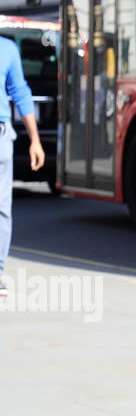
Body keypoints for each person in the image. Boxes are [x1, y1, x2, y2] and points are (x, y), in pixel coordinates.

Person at [0, 33, 45, 298]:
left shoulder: (7, 48)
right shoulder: (7, 48)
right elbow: (20, 93)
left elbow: (20, 92)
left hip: (2, 137)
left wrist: (35, 141)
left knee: (2, 208)